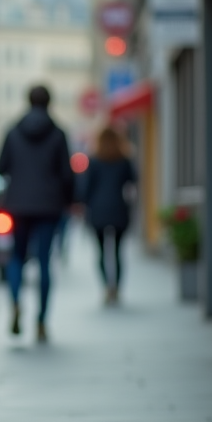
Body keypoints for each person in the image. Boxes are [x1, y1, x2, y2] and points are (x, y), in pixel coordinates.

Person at [0, 85, 74, 342]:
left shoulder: (13, 131)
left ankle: (16, 302)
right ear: (49, 103)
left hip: (17, 203)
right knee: (44, 262)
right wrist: (70, 201)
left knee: (16, 257)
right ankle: (41, 320)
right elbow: (66, 175)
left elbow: (0, 167)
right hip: (49, 205)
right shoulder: (59, 134)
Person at [81, 126, 137, 305]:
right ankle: (117, 288)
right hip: (119, 208)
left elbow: (85, 189)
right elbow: (133, 183)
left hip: (98, 210)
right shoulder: (124, 160)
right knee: (118, 252)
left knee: (101, 252)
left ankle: (107, 287)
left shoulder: (95, 161)